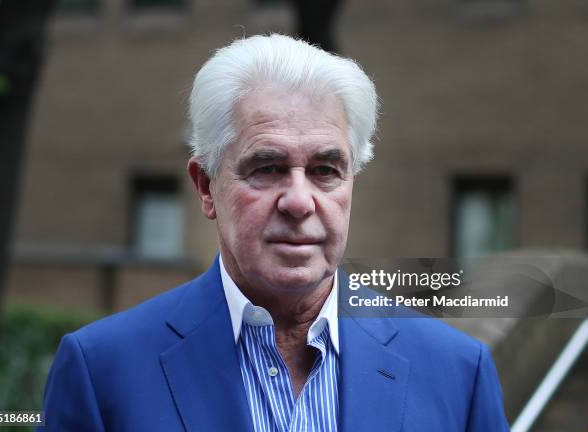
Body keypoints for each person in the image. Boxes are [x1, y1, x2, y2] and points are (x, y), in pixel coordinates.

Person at [39, 34, 509, 431]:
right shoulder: (102, 371)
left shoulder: (457, 372)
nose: (300, 201)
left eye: (326, 169)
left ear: (351, 185)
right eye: (267, 167)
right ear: (206, 186)